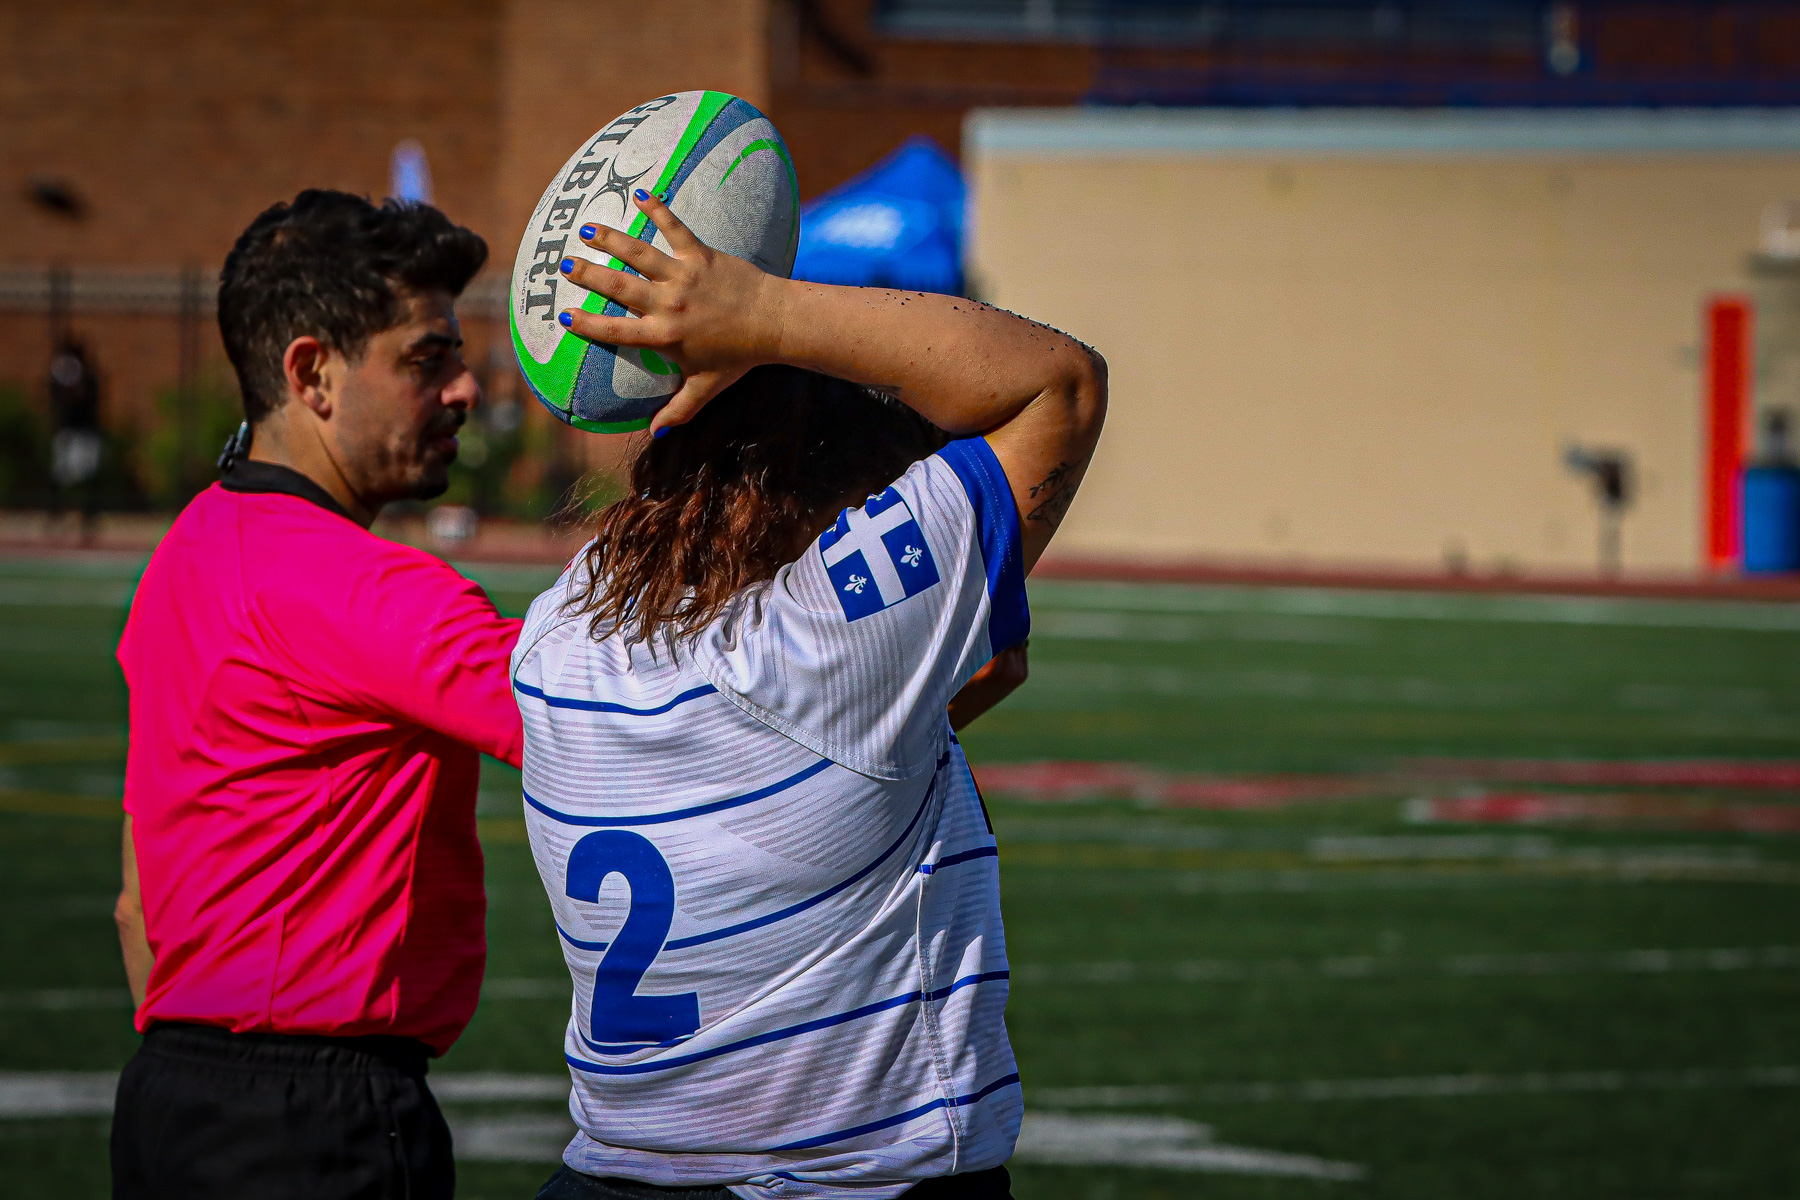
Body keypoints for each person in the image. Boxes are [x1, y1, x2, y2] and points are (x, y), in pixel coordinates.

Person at [513, 191, 1106, 1199]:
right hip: (848, 1182)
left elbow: (798, 769)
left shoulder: (558, 635)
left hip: (607, 1177)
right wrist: (768, 316)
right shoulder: (822, 645)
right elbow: (1060, 386)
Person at [110, 190, 524, 1200]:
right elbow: (653, 733)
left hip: (167, 1101)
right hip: (320, 1124)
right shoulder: (377, 590)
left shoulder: (184, 551)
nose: (467, 389)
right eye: (427, 359)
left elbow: (136, 910)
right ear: (313, 373)